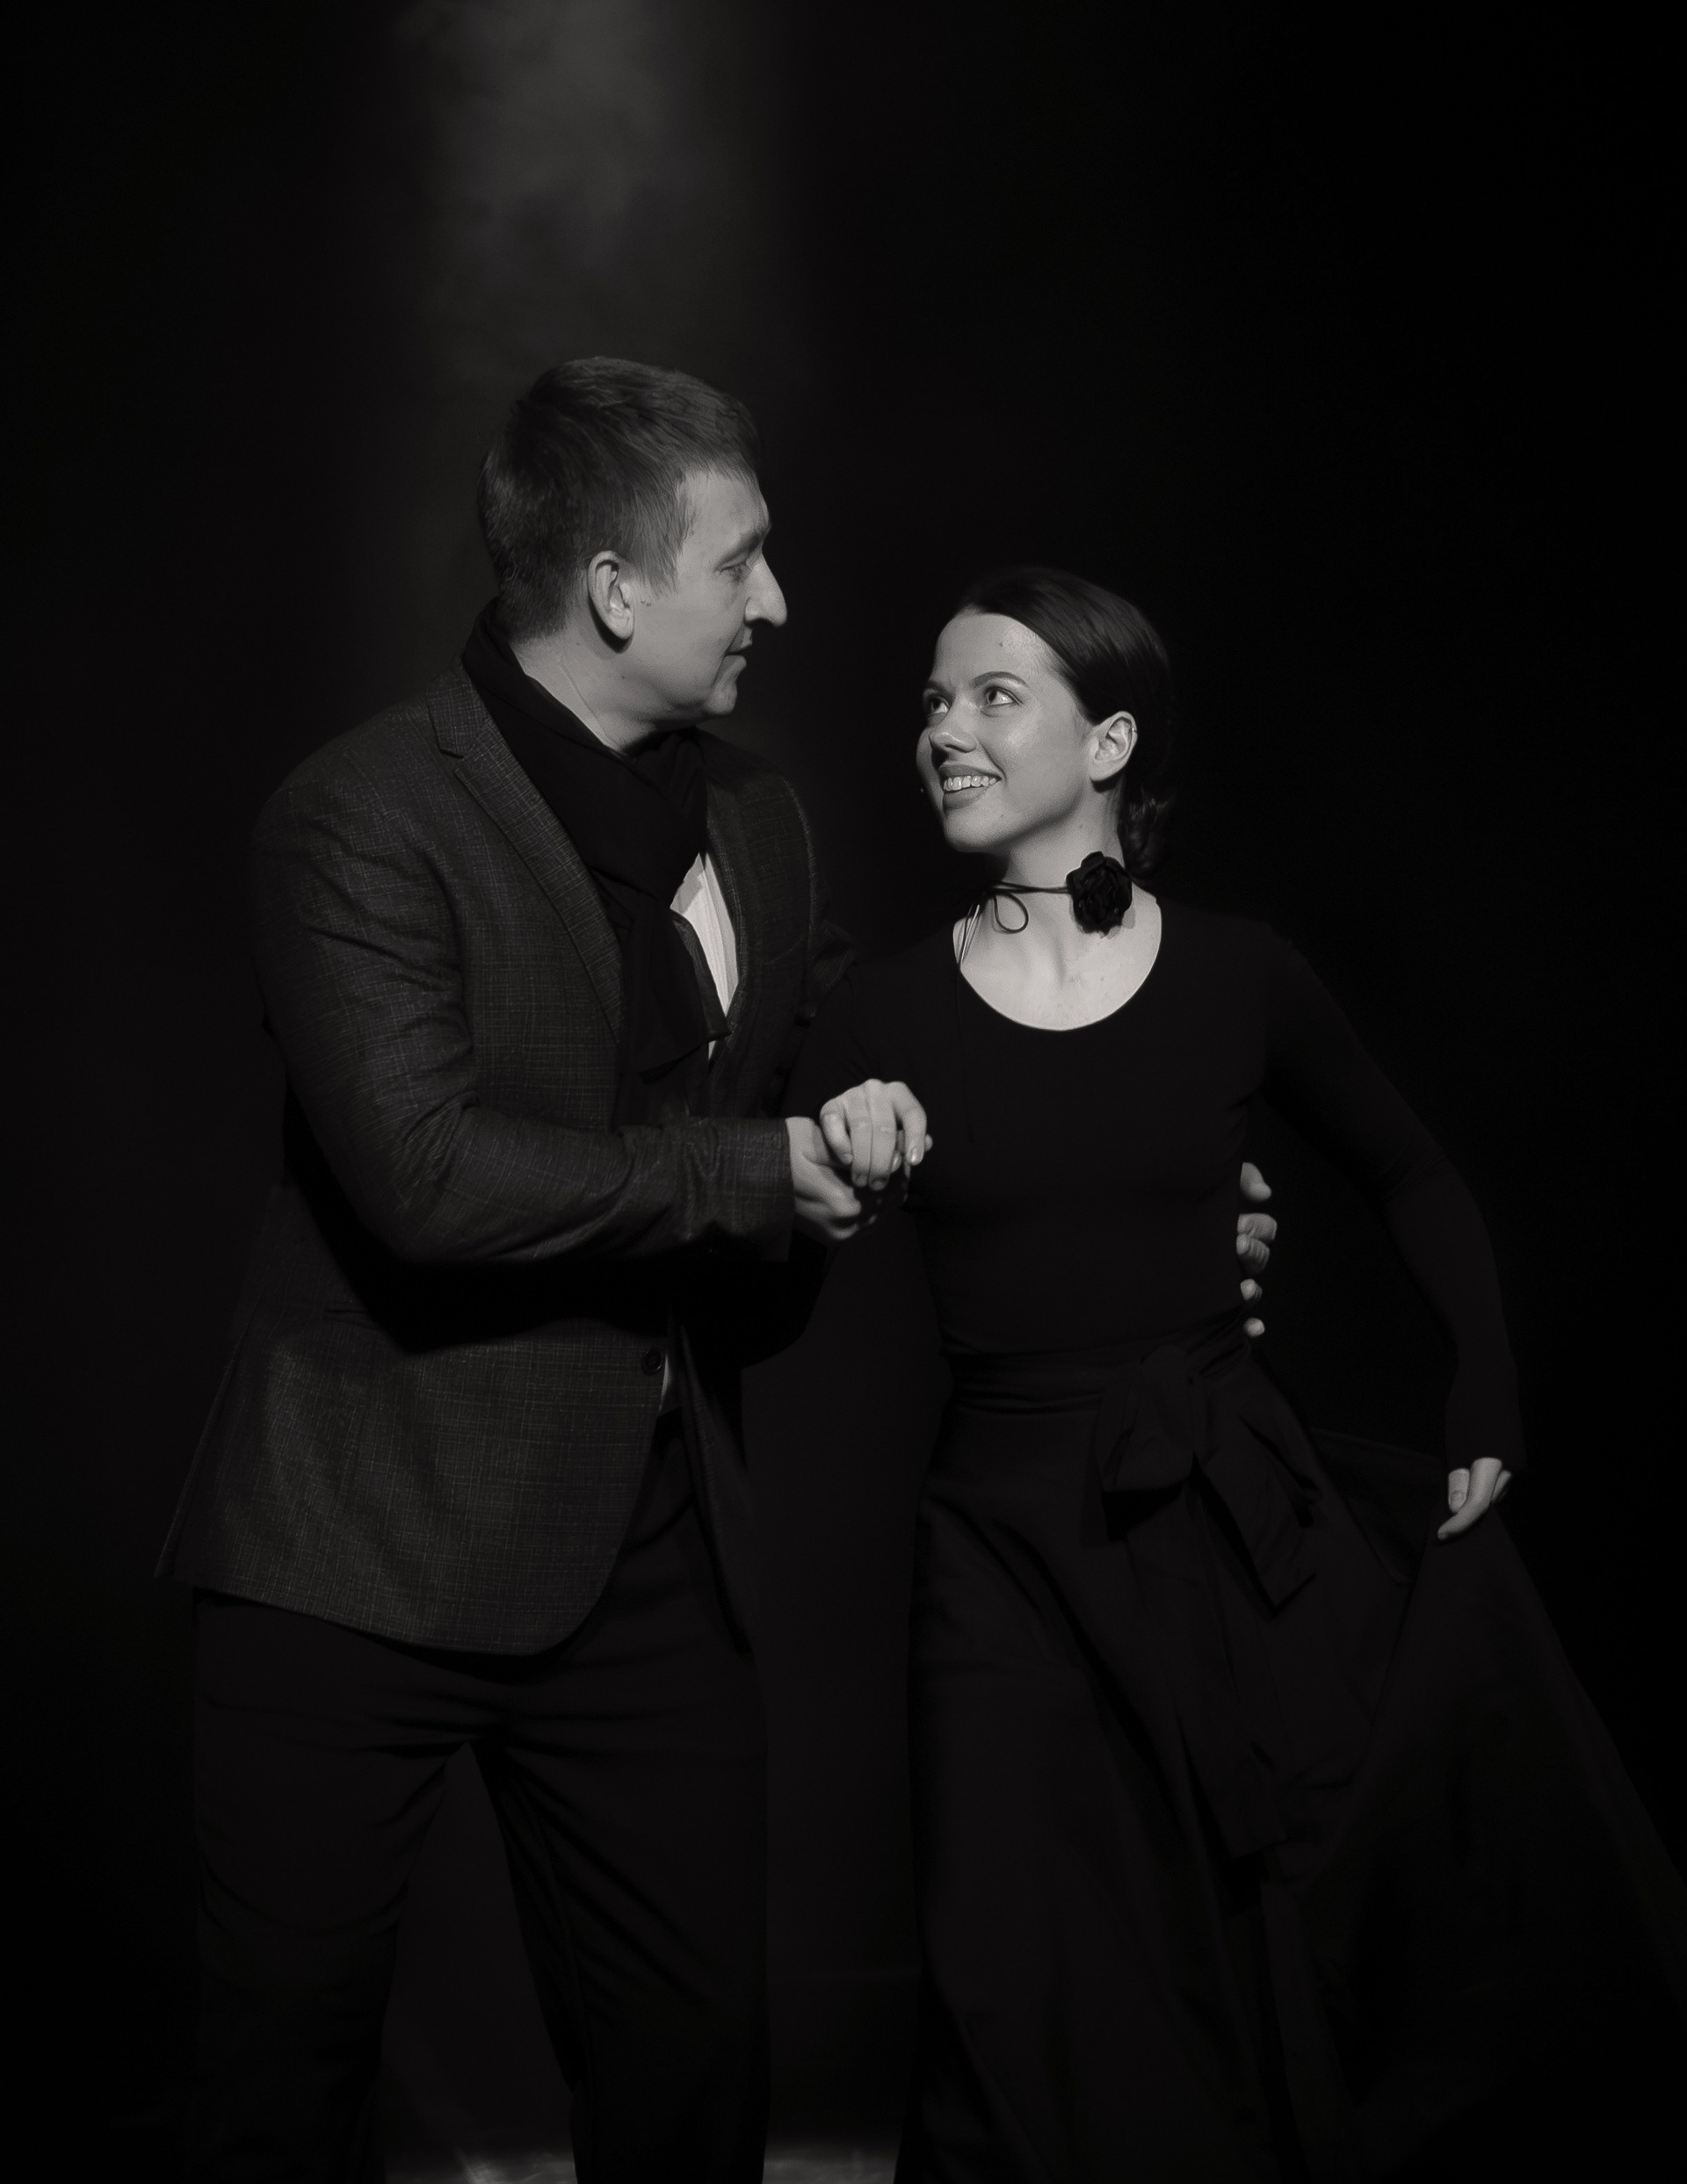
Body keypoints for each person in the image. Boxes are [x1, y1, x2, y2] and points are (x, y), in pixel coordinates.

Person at [156, 357, 1283, 2183]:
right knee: (279, 2088)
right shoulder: (361, 814)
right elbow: (427, 1178)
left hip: (655, 1544)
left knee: (693, 2082)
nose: (780, 600)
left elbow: (869, 1069)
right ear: (616, 589)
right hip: (356, 1550)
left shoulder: (759, 815)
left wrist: (1146, 1189)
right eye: (741, 559)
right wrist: (754, 1172)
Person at [790, 565, 1687, 2182]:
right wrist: (825, 1152)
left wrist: (1483, 1386)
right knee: (1007, 1973)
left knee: (1250, 1961)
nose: (946, 729)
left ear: (1109, 741)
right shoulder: (882, 1010)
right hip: (998, 1547)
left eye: (995, 695)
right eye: (933, 701)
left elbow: (1412, 1171)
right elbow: (764, 1275)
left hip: (1224, 1518)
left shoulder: (1234, 973)